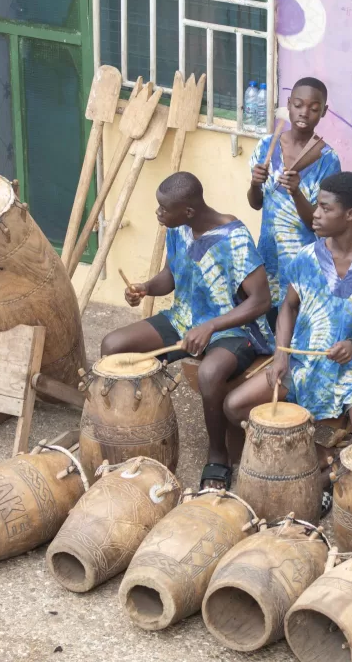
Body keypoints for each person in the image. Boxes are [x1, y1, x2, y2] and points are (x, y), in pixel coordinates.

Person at [226, 171, 352, 508]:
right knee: (235, 406)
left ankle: (320, 480)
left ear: (350, 214)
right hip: (305, 362)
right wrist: (281, 355)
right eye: (318, 206)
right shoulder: (308, 258)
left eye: (326, 208)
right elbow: (288, 307)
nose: (315, 214)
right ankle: (320, 458)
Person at [101, 172, 273, 490]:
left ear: (189, 211)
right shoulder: (178, 228)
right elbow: (171, 275)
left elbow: (261, 300)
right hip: (183, 320)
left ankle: (218, 453)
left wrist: (211, 325)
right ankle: (133, 434)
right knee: (113, 346)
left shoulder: (234, 238)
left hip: (233, 329)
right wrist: (145, 288)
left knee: (210, 373)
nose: (158, 213)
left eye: (164, 209)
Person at [248, 77, 341, 327]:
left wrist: (296, 192)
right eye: (298, 105)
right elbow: (256, 204)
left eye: (314, 108)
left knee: (296, 324)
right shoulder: (266, 146)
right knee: (266, 323)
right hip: (268, 254)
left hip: (303, 261)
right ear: (288, 104)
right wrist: (255, 184)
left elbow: (317, 224)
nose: (304, 113)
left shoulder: (328, 160)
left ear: (324, 111)